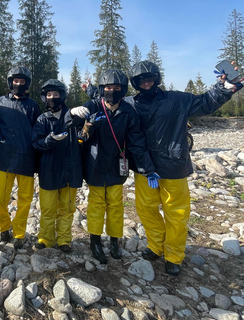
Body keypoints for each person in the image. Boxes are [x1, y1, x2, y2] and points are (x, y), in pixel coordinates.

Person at [127, 60, 242, 276]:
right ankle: (155, 245)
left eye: (150, 77)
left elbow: (206, 102)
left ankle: (173, 255)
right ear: (135, 82)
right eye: (141, 79)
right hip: (143, 168)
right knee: (146, 210)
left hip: (174, 166)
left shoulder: (177, 99)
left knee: (176, 215)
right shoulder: (129, 103)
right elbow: (106, 103)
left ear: (157, 78)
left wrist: (225, 88)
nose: (146, 82)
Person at [70, 69, 157, 265]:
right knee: (96, 204)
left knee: (116, 205)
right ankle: (95, 240)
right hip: (94, 164)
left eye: (116, 88)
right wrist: (77, 117)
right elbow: (73, 130)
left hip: (118, 165)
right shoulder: (92, 106)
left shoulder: (128, 112)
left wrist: (146, 168)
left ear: (123, 90)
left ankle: (115, 241)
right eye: (108, 87)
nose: (112, 91)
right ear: (102, 89)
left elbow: (136, 142)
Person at [0, 66, 41, 249]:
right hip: (4, 159)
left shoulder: (33, 106)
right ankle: (4, 227)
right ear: (10, 82)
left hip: (26, 159)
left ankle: (19, 232)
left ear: (27, 83)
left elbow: (39, 131)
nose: (18, 84)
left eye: (22, 82)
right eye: (15, 81)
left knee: (25, 199)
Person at [31, 79, 82, 253]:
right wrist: (49, 140)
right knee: (47, 209)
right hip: (49, 170)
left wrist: (85, 123)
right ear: (44, 97)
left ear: (63, 95)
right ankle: (45, 238)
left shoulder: (73, 116)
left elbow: (85, 134)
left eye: (56, 94)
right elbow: (35, 143)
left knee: (67, 209)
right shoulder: (42, 119)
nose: (52, 97)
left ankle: (64, 240)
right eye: (49, 95)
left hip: (70, 169)